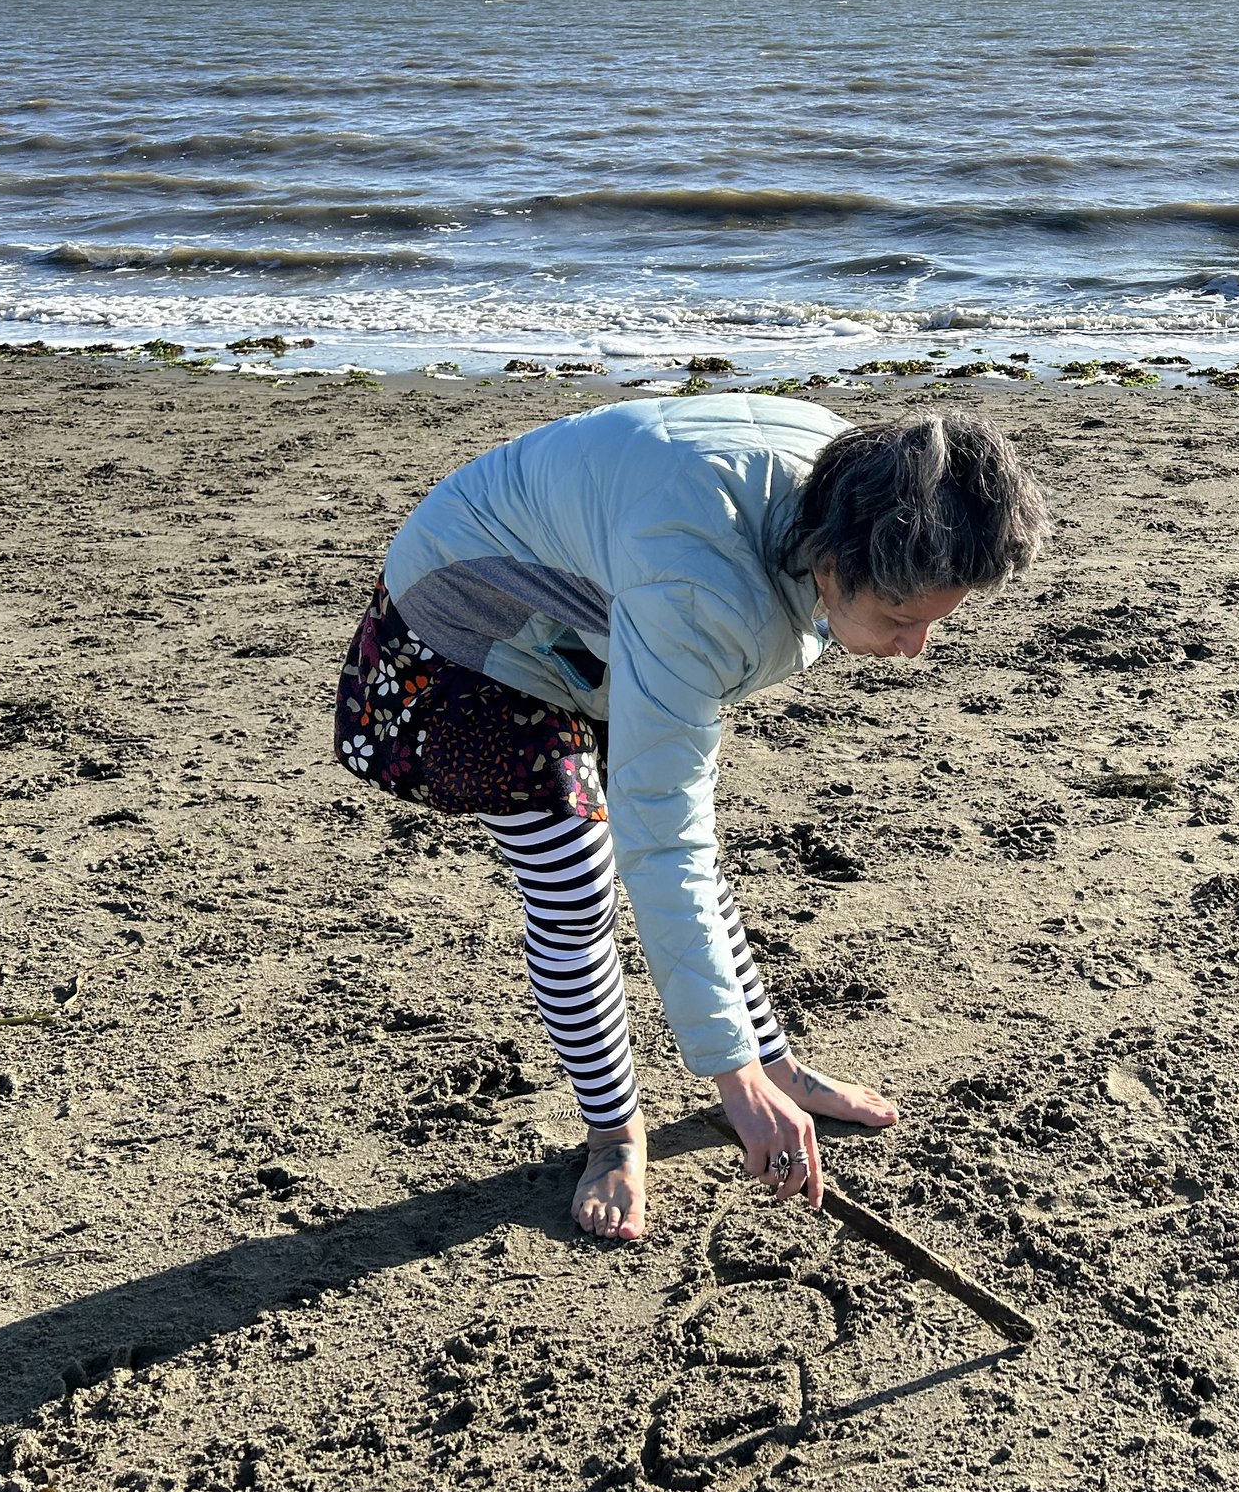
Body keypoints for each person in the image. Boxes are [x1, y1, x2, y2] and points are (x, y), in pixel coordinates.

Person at [332, 394, 1046, 1239]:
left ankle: (782, 1064)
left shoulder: (866, 476)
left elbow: (683, 838)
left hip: (592, 602)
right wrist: (731, 1082)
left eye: (933, 620)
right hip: (469, 617)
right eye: (901, 619)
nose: (915, 648)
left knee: (688, 854)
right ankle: (613, 1135)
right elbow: (661, 839)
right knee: (573, 882)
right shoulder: (699, 586)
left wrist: (759, 1066)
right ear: (833, 559)